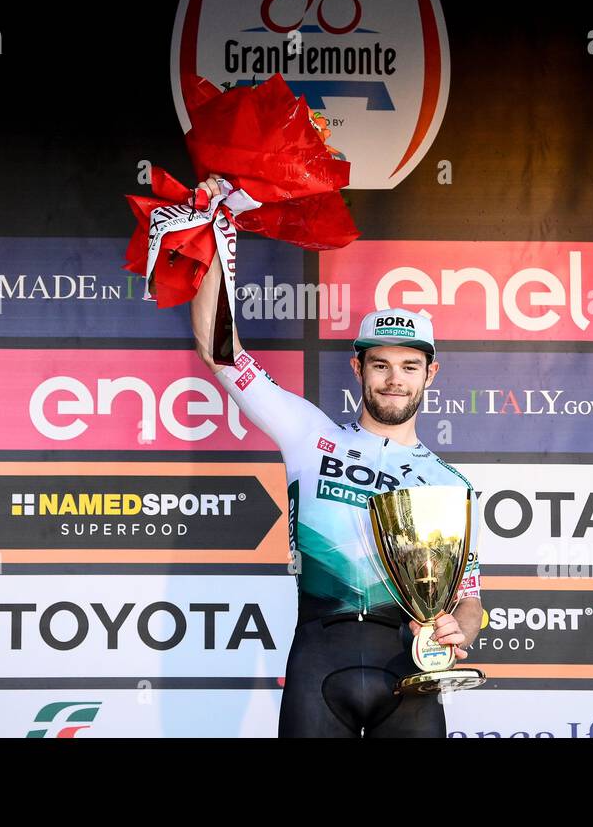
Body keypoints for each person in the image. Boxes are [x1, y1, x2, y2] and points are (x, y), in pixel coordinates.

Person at [189, 177, 482, 738]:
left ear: (430, 374)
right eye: (380, 366)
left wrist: (459, 630)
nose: (394, 381)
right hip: (319, 660)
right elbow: (220, 353)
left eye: (409, 367)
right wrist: (211, 231)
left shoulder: (451, 485)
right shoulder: (309, 436)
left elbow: (469, 598)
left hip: (411, 668)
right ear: (358, 370)